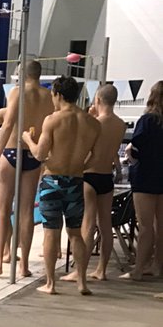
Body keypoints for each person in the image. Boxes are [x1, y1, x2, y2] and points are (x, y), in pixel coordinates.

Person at [23, 75, 100, 295]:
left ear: (58, 95)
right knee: (75, 233)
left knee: (50, 233)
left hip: (52, 182)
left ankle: (50, 284)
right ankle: (82, 282)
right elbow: (96, 157)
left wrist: (27, 138)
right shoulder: (92, 123)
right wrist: (80, 166)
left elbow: (39, 154)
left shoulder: (53, 120)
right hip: (76, 181)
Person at [0, 61, 54, 278]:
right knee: (26, 212)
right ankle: (23, 265)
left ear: (22, 73)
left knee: (2, 210)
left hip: (12, 151)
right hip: (34, 155)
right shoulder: (49, 97)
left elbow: (7, 124)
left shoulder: (17, 91)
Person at [68, 83, 126, 281]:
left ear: (98, 100)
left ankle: (80, 271)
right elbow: (113, 153)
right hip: (106, 178)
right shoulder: (121, 125)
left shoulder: (94, 123)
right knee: (105, 225)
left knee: (88, 224)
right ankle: (101, 270)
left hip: (90, 176)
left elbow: (86, 150)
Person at [121, 80, 163, 282]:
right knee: (160, 225)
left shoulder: (147, 121)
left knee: (145, 226)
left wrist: (130, 154)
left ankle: (138, 269)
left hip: (146, 177)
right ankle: (157, 266)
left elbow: (136, 148)